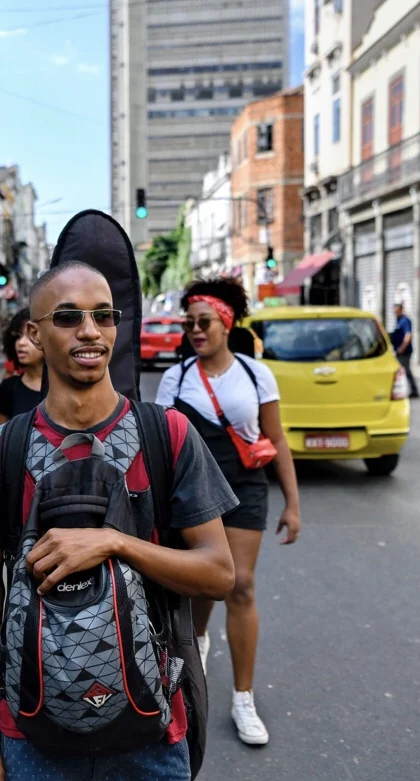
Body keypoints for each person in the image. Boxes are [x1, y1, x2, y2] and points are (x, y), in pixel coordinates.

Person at [0, 261, 238, 781]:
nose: (90, 330)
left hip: (150, 736)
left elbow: (219, 573)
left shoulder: (167, 436)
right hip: (31, 739)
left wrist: (116, 544)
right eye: (67, 318)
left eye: (103, 316)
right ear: (35, 334)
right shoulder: (3, 451)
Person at [155, 276, 301, 747]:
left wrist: (293, 504)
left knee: (239, 584)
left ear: (226, 322)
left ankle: (243, 698)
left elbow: (276, 439)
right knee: (202, 581)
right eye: (189, 323)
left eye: (205, 322)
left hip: (243, 487)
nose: (196, 331)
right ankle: (196, 635)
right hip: (192, 493)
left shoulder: (256, 374)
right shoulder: (175, 378)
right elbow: (160, 445)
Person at [0, 308, 45, 423]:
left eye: (30, 336)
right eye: (18, 336)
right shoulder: (8, 388)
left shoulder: (67, 386)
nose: (21, 343)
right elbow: (1, 437)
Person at [391, 302, 420, 399]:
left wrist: (402, 348)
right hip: (400, 351)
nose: (395, 313)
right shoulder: (398, 320)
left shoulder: (405, 321)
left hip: (404, 351)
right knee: (405, 371)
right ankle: (413, 390)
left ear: (401, 310)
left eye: (397, 311)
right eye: (394, 311)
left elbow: (408, 335)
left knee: (405, 371)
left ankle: (414, 391)